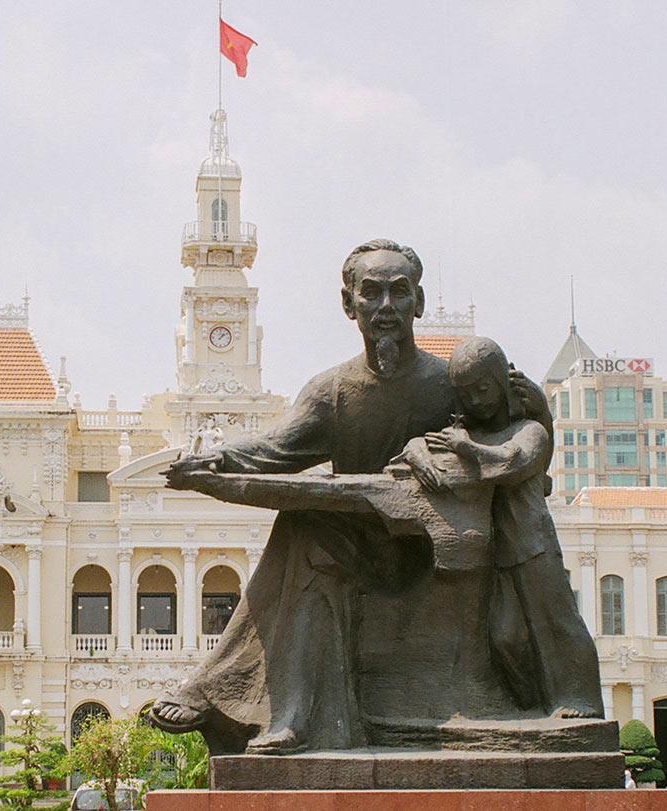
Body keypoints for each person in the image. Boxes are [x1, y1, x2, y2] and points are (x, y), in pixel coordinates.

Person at [150, 239, 458, 754]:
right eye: (372, 294)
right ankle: (288, 717)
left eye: (399, 294)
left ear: (419, 303)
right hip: (355, 546)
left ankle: (233, 695)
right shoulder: (332, 390)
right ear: (349, 304)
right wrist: (214, 461)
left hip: (427, 548)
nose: (386, 308)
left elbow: (514, 434)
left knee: (309, 527)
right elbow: (275, 449)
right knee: (305, 525)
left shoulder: (449, 386)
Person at [411, 335, 603, 718]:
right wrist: (420, 455)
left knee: (559, 624)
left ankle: (580, 701)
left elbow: (512, 461)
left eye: (483, 389)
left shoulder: (527, 432)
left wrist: (465, 448)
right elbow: (418, 443)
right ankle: (532, 707)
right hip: (496, 552)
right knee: (505, 637)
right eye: (467, 394)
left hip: (533, 547)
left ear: (501, 383)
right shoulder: (469, 434)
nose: (477, 401)